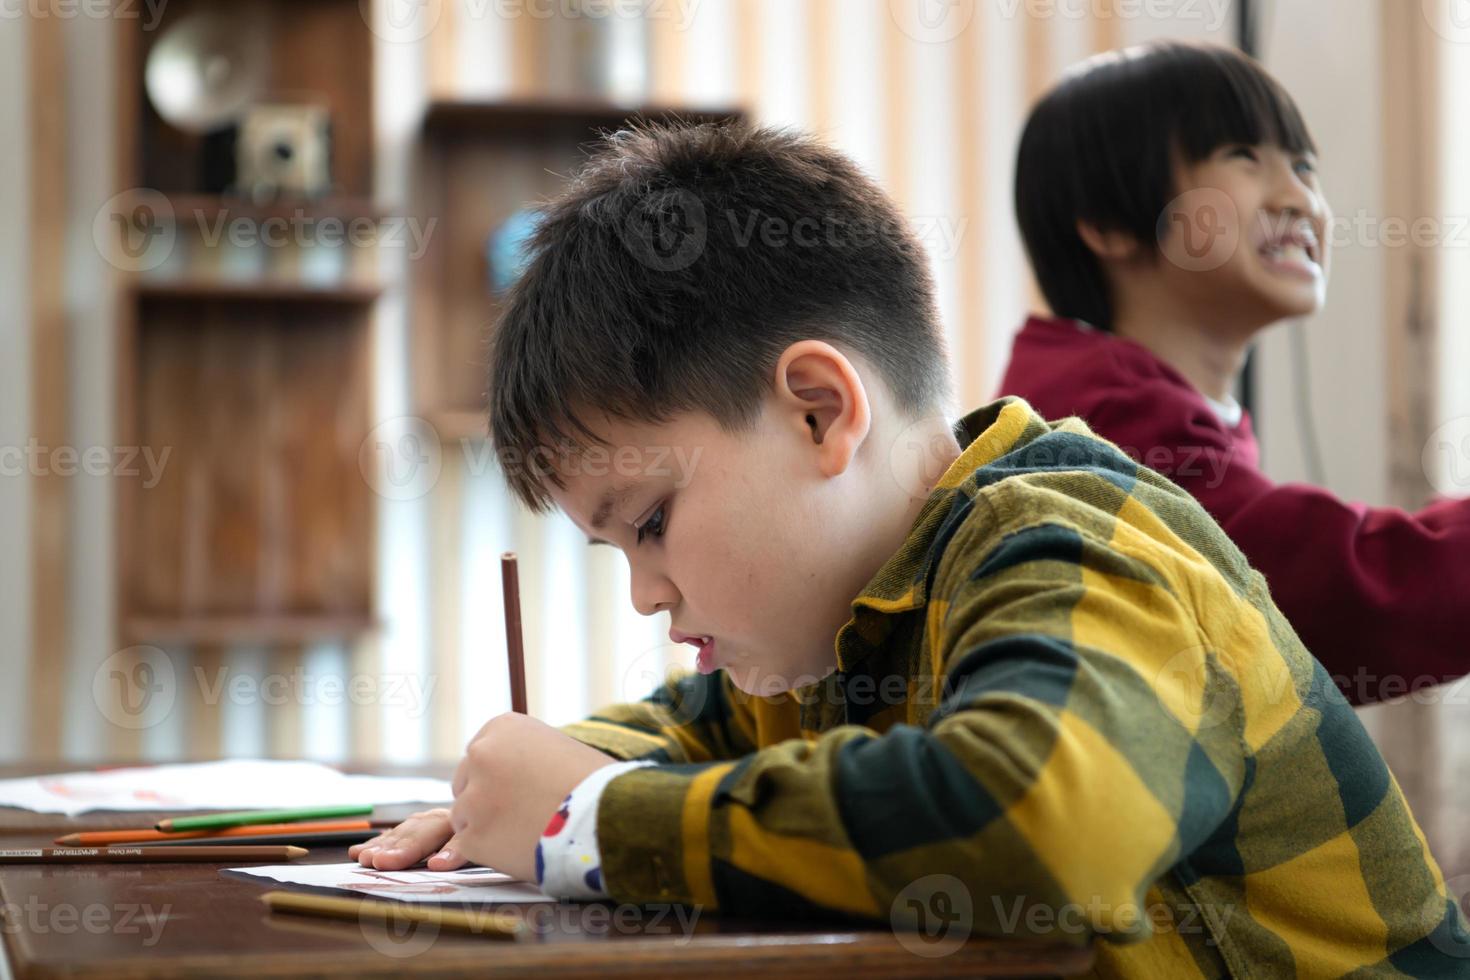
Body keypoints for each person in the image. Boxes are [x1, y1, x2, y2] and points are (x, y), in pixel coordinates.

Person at [353, 122, 1468, 974]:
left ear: (819, 411)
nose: (648, 592)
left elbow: (1040, 820)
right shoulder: (850, 619)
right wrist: (523, 775)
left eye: (649, 523)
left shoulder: (1073, 542)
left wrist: (582, 817)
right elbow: (698, 726)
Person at [999, 40, 1470, 706]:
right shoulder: (1096, 418)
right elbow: (1346, 596)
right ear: (1108, 222)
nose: (1299, 197)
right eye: (1243, 157)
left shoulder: (1120, 392)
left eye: (1305, 167)